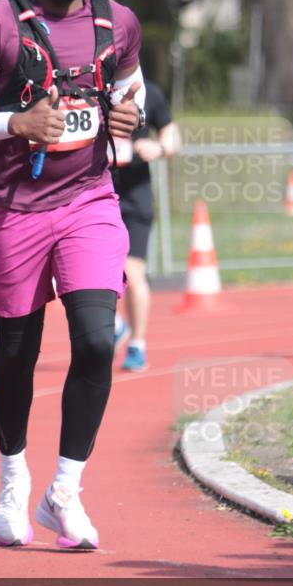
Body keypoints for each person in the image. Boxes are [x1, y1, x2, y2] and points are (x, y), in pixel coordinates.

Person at [0, 0, 144, 549]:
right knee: (17, 353)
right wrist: (15, 124)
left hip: (89, 200)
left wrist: (126, 118)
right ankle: (11, 478)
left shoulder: (118, 21)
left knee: (93, 339)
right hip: (14, 208)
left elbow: (131, 89)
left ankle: (64, 491)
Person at [112, 81, 181, 371]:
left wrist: (159, 146)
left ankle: (137, 344)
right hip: (91, 195)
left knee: (132, 271)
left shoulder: (150, 94)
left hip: (134, 199)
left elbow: (172, 137)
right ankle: (115, 325)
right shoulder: (87, 90)